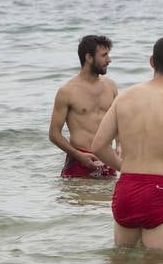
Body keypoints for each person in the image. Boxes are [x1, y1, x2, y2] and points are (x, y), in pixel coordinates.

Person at [91, 35, 163, 250]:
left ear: (152, 61)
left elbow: (98, 146)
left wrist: (124, 167)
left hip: (126, 189)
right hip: (159, 191)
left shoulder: (124, 97)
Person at [49, 34, 119, 178]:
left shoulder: (111, 87)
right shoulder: (67, 91)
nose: (109, 60)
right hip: (78, 162)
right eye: (104, 55)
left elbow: (119, 123)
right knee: (79, 193)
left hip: (107, 160)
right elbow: (54, 134)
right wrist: (78, 155)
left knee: (108, 193)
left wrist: (119, 146)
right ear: (89, 57)